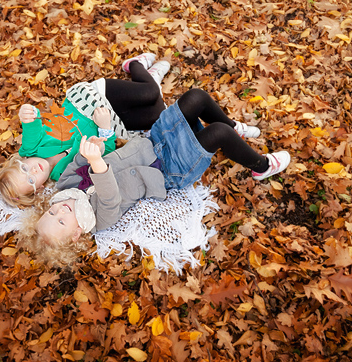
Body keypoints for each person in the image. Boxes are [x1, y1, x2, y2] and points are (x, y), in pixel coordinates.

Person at [17, 88, 291, 266]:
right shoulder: (99, 218)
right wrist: (97, 163)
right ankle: (261, 165)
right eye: (62, 220)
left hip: (150, 143)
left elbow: (78, 160)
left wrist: (96, 147)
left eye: (51, 213)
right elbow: (109, 192)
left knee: (195, 98)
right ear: (77, 234)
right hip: (169, 168)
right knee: (217, 134)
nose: (59, 210)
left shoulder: (66, 187)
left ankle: (235, 128)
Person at [0, 53, 170, 207]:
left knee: (149, 93)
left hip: (90, 101)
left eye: (24, 169)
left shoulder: (32, 148)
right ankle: (151, 77)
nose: (32, 171)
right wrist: (104, 128)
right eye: (31, 180)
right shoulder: (65, 175)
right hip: (108, 120)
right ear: (40, 188)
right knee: (158, 115)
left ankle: (135, 65)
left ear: (22, 161)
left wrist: (27, 113)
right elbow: (104, 153)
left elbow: (31, 122)